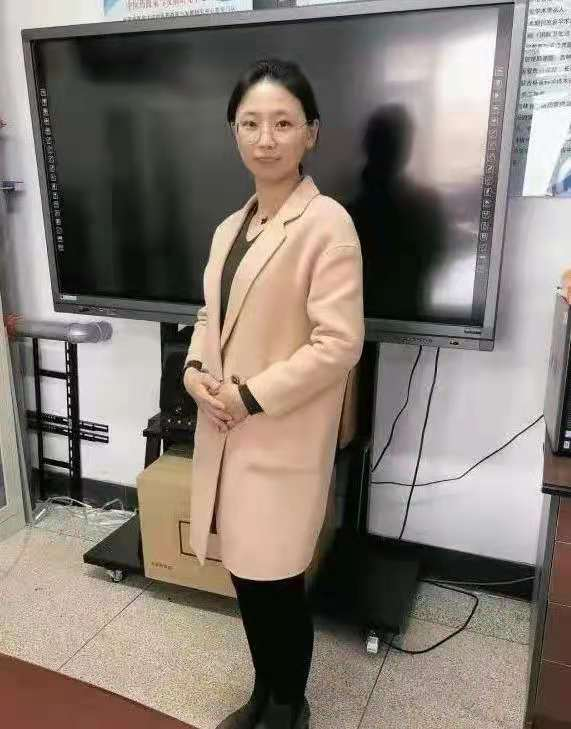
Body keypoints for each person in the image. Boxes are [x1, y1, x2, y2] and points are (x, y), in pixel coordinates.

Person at [182, 59, 364, 729]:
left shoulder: (326, 224)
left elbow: (338, 342)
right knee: (247, 576)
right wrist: (193, 370)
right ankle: (264, 692)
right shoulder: (229, 228)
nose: (266, 138)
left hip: (277, 435)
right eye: (251, 123)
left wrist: (250, 396)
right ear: (234, 131)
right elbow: (210, 316)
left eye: (283, 123)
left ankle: (289, 705)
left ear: (310, 133)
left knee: (277, 582)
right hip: (226, 433)